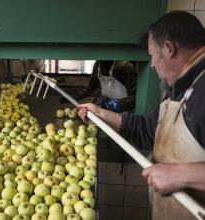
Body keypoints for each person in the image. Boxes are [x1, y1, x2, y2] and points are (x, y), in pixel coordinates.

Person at [77, 11, 205, 220]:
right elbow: (146, 129)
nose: (152, 64)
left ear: (169, 49)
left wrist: (181, 175)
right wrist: (100, 113)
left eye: (153, 55)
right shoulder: (182, 88)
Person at [61, 60, 137, 113]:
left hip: (124, 114)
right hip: (106, 111)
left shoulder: (126, 68)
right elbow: (91, 85)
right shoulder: (98, 65)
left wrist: (112, 103)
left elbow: (135, 98)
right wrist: (77, 96)